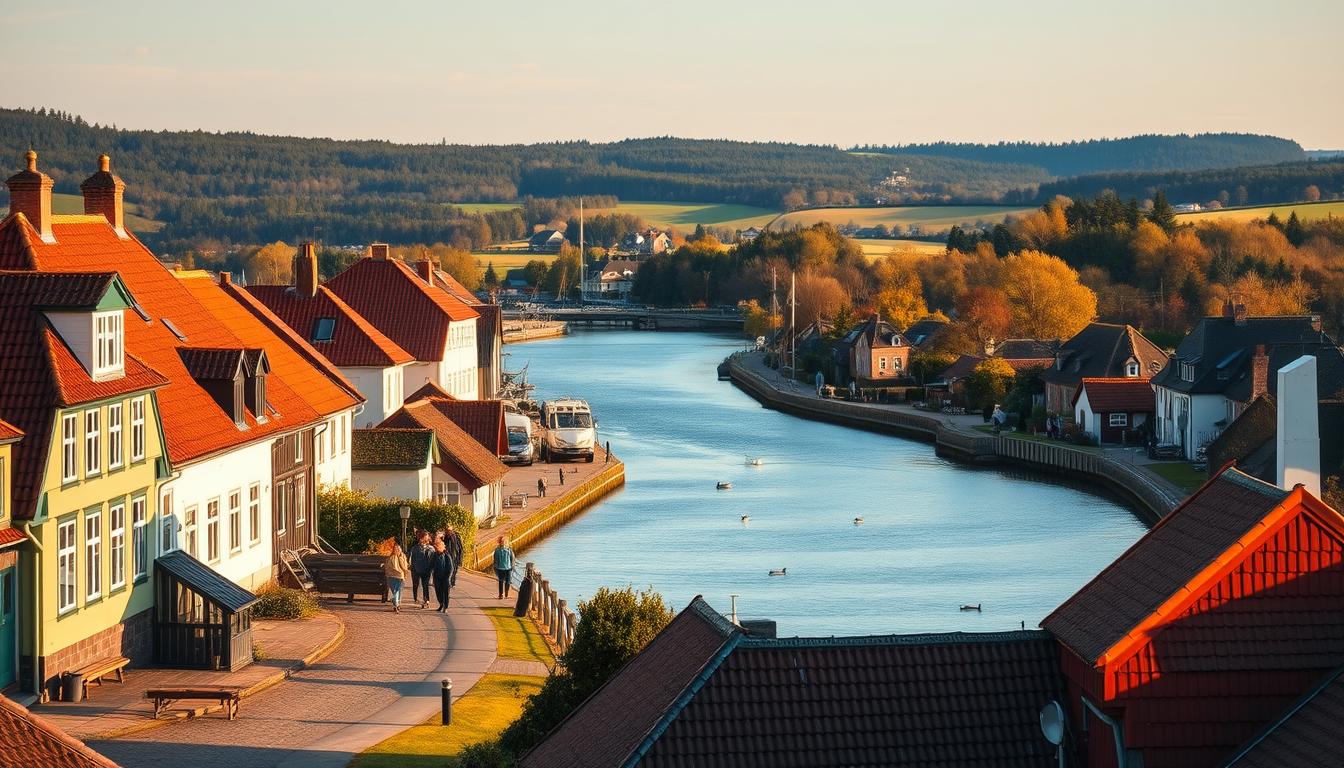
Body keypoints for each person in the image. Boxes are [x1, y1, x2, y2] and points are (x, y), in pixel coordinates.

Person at [410, 531, 434, 609]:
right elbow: (412, 559)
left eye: (427, 537)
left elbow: (432, 559)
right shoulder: (415, 548)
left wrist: (431, 569)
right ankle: (416, 598)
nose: (426, 539)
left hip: (426, 570)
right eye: (424, 537)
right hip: (415, 570)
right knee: (415, 584)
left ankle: (426, 600)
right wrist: (412, 568)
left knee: (425, 585)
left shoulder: (431, 548)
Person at [384, 542, 409, 613]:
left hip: (394, 576)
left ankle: (396, 604)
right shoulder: (396, 557)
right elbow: (404, 567)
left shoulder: (393, 557)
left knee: (396, 591)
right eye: (397, 549)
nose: (398, 550)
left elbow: (388, 567)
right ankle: (397, 604)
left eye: (399, 549)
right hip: (398, 576)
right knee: (397, 591)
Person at [431, 539, 454, 612]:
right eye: (435, 547)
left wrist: (447, 577)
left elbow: (450, 568)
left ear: (441, 547)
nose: (436, 548)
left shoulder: (447, 555)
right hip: (437, 577)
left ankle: (445, 607)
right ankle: (441, 604)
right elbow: (432, 565)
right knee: (438, 592)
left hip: (445, 577)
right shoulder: (434, 555)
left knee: (445, 593)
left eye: (437, 547)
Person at [493, 536, 515, 600]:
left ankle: (506, 593)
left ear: (506, 542)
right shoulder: (497, 550)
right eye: (501, 541)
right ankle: (501, 595)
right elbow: (495, 559)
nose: (503, 543)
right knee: (501, 581)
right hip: (500, 568)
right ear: (499, 542)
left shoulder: (509, 550)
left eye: (504, 541)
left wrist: (512, 566)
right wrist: (495, 568)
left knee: (508, 582)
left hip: (508, 568)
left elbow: (512, 558)